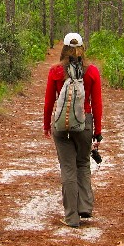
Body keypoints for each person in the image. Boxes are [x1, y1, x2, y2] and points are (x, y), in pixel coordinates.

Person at [43, 32, 103, 228]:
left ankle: (71, 217)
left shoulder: (55, 72)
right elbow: (97, 104)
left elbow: (49, 102)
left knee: (68, 168)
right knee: (83, 163)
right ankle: (84, 206)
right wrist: (98, 131)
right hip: (84, 123)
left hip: (61, 125)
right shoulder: (92, 71)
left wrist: (46, 125)